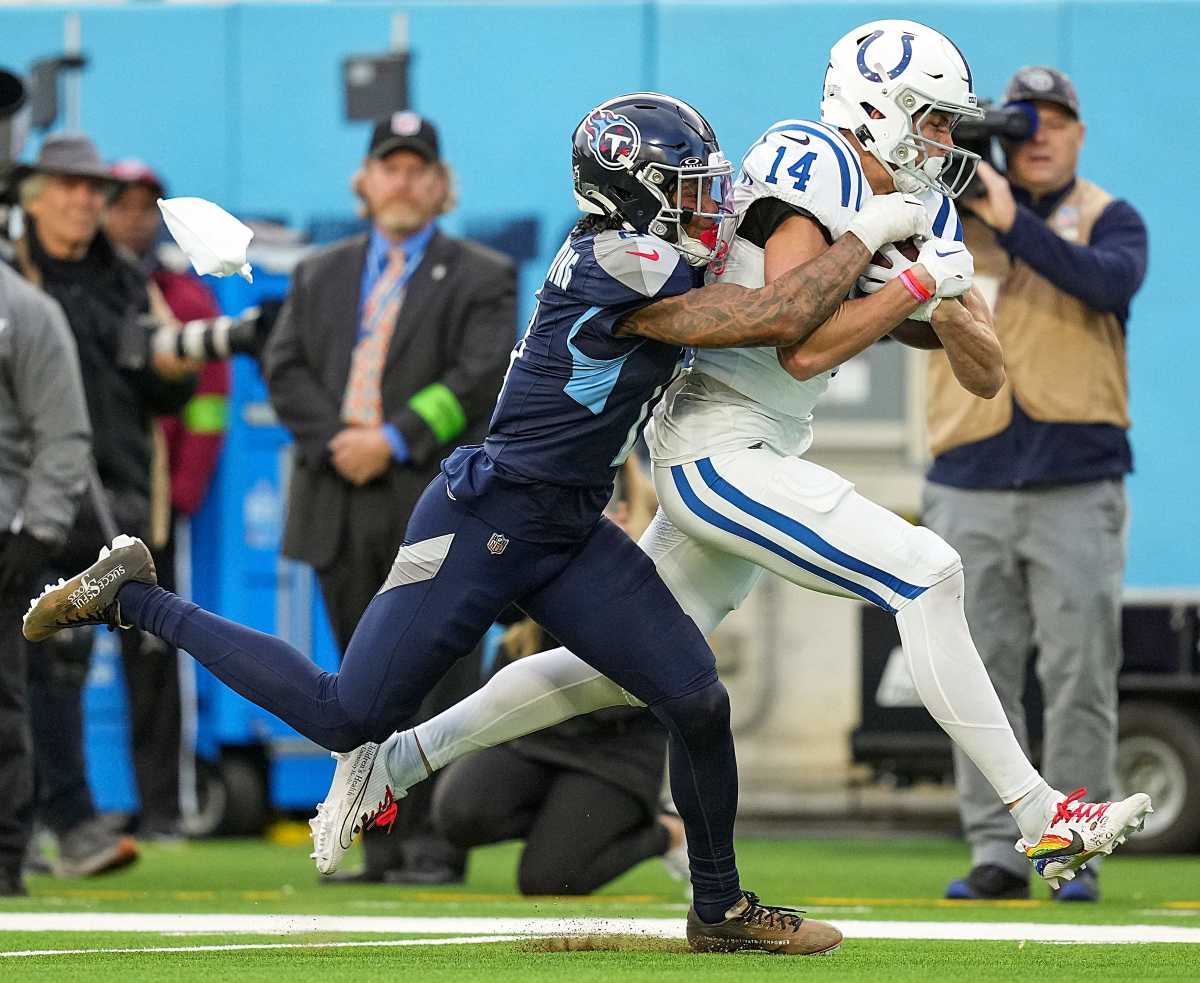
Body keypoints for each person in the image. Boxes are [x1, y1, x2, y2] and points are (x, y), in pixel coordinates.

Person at [24, 90, 932, 956]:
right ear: (633, 191)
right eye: (691, 184)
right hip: (485, 517)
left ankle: (720, 905)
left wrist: (870, 220)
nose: (713, 201)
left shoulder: (654, 247)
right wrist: (879, 236)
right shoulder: (625, 260)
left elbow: (771, 262)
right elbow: (777, 312)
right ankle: (136, 594)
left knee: (695, 695)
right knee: (348, 712)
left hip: (569, 525)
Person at [317, 22, 1152, 908]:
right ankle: (1038, 813)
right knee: (927, 571)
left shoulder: (925, 204)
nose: (945, 143)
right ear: (876, 112)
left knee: (605, 671)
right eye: (933, 121)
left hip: (761, 446)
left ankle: (398, 760)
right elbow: (794, 339)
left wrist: (948, 298)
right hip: (714, 442)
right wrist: (907, 281)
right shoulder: (810, 159)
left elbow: (987, 375)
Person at [263, 113, 515, 883]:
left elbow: (477, 376)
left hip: (432, 499)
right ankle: (381, 845)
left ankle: (439, 846)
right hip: (336, 502)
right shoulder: (319, 273)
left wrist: (395, 437)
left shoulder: (482, 274)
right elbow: (285, 366)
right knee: (359, 687)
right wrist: (340, 438)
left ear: (441, 187)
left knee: (442, 682)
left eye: (418, 169)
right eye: (389, 167)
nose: (402, 181)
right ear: (364, 183)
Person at [921, 66, 1149, 903]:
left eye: (1056, 123)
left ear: (1079, 135)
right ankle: (997, 849)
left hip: (1077, 484)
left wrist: (1009, 217)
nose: (1039, 137)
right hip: (968, 476)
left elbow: (1107, 285)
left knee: (1080, 674)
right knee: (973, 670)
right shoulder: (949, 224)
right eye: (1021, 125)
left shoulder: (1111, 219)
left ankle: (1075, 849)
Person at [12, 132, 198, 875]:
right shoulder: (12, 275)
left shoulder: (126, 278)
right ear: (34, 195)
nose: (85, 201)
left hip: (115, 495)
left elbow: (167, 389)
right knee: (35, 659)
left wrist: (177, 369)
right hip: (28, 494)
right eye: (71, 186)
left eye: (94, 189)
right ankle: (55, 819)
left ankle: (124, 815)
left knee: (118, 656)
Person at [431, 460, 686, 897]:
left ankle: (668, 833)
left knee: (547, 880)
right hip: (539, 734)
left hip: (614, 753)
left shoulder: (664, 556)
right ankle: (565, 821)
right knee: (460, 814)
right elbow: (499, 605)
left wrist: (612, 564)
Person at [105, 158, 231, 840]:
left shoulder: (184, 297)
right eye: (118, 203)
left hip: (150, 507)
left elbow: (210, 404)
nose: (130, 216)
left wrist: (182, 491)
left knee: (154, 654)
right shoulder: (78, 290)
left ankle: (162, 809)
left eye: (142, 205)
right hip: (76, 494)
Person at [0, 263, 92, 895]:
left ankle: (4, 857)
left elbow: (62, 432)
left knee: (2, 709)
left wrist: (38, 531)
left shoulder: (23, 310)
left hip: (2, 535)